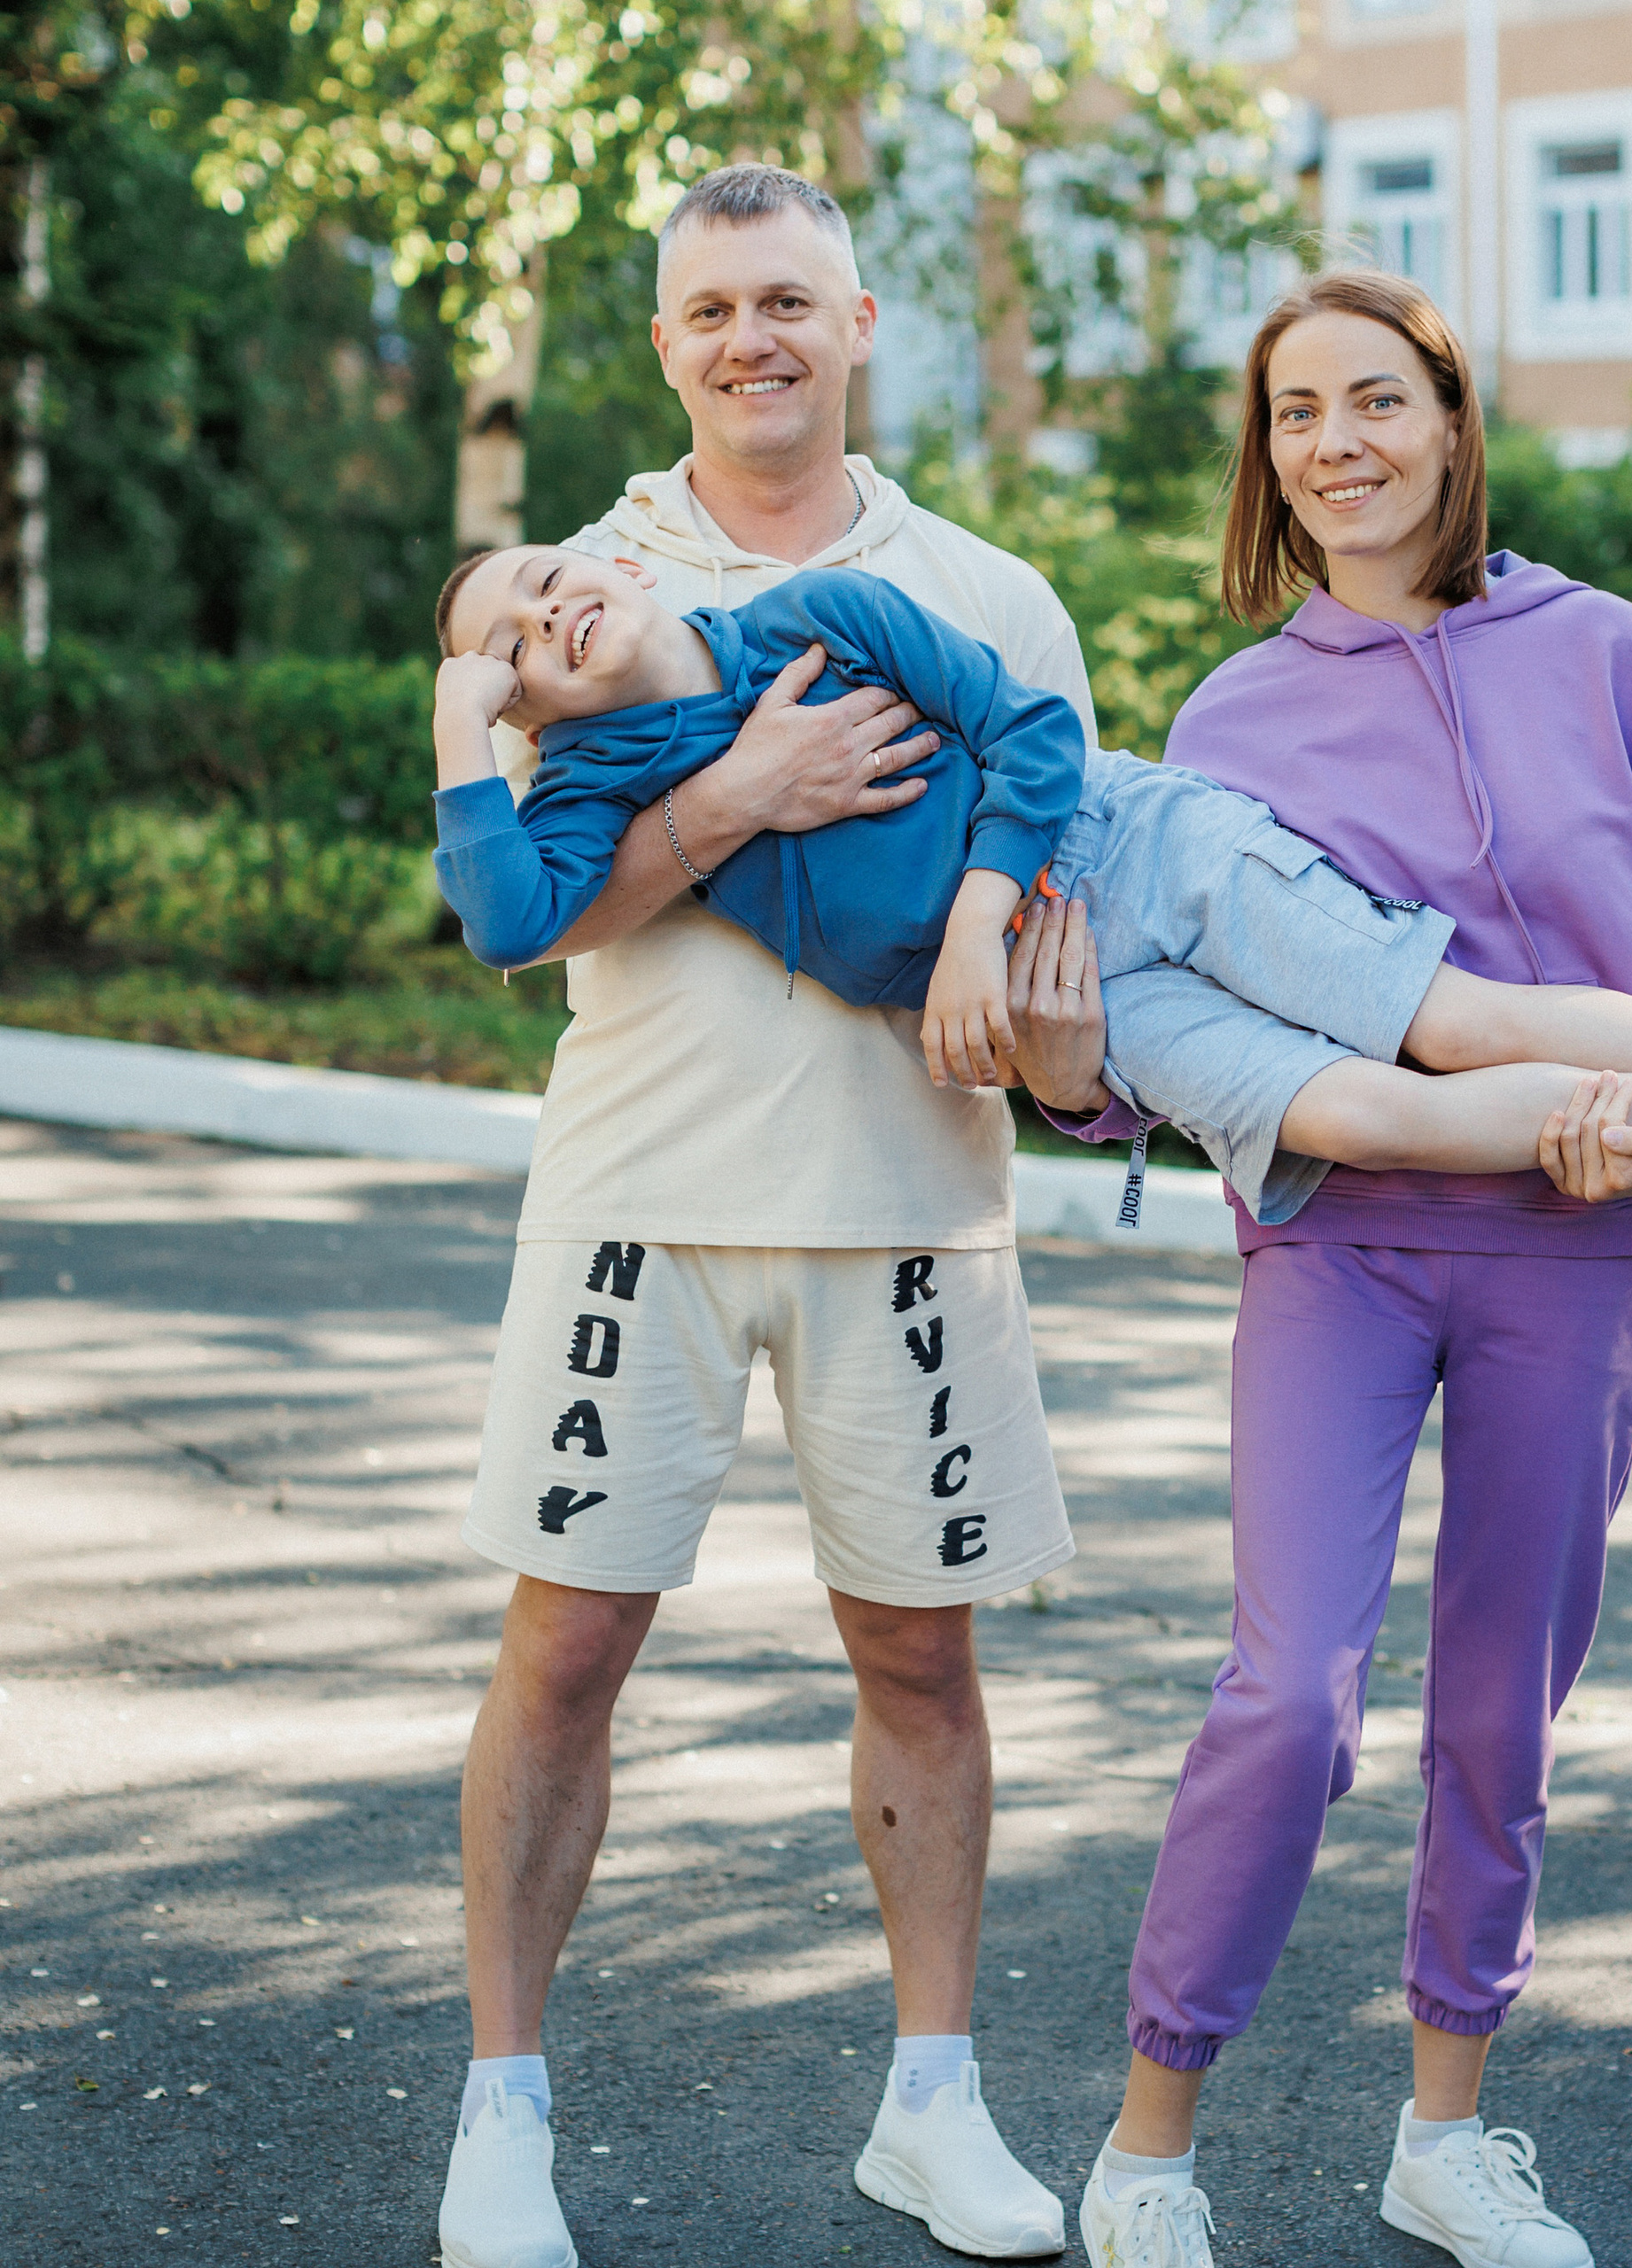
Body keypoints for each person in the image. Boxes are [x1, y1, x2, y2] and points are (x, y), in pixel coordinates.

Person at [1006, 268, 1632, 2268]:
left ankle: (1444, 2131)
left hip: (1576, 1250)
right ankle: (1146, 2144)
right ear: (1264, 460)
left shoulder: (1598, 648)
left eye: (1373, 401)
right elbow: (1172, 1021)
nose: (1334, 444)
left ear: (1449, 421)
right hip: (1339, 1248)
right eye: (1292, 416)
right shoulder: (1231, 710)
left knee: (1497, 1711)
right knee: (1287, 1696)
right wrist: (1078, 1085)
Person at [435, 161, 1089, 2268]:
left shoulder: (977, 587)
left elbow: (1048, 943)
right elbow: (526, 918)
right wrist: (739, 798)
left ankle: (932, 2101)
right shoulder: (575, 585)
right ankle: (503, 2116)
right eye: (712, 309)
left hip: (914, 1209)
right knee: (566, 1649)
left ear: (862, 318)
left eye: (788, 300)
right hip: (637, 1199)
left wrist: (1059, 1045)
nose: (753, 341)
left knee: (920, 1655)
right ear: (662, 342)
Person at [426, 541, 1632, 1253]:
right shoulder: (588, 795)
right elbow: (505, 921)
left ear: (613, 563)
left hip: (1130, 851)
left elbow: (1032, 735)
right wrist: (456, 721)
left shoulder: (810, 614)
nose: (546, 612)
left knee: (1449, 1022)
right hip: (1078, 988)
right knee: (1354, 1116)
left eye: (546, 574)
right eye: (511, 640)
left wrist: (967, 925)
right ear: (525, 708)